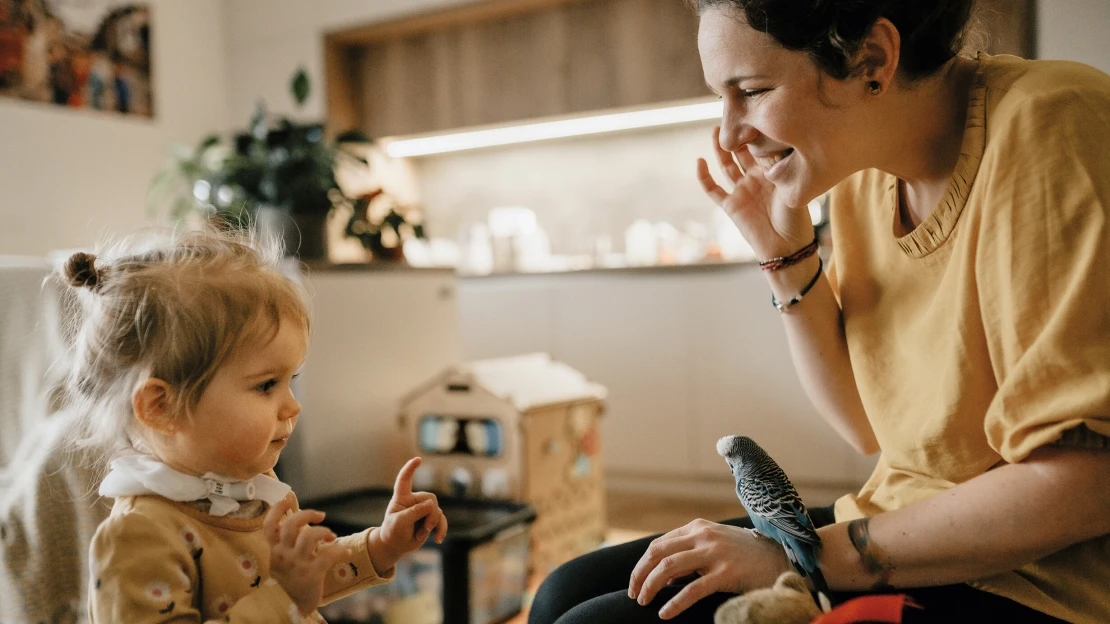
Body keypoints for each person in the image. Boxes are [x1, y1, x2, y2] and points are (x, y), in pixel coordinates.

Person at [530, 0, 1110, 622]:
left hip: (1035, 579)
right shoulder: (866, 175)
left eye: (750, 91)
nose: (728, 133)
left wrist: (807, 557)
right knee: (563, 590)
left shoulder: (1053, 124)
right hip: (902, 521)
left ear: (872, 59)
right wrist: (786, 255)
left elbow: (1084, 485)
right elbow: (864, 423)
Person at [63, 228, 449, 622]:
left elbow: (304, 583)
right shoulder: (138, 537)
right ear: (161, 407)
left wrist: (381, 544)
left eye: (290, 381)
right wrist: (282, 595)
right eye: (266, 385)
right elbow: (286, 595)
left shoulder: (255, 495)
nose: (292, 406)